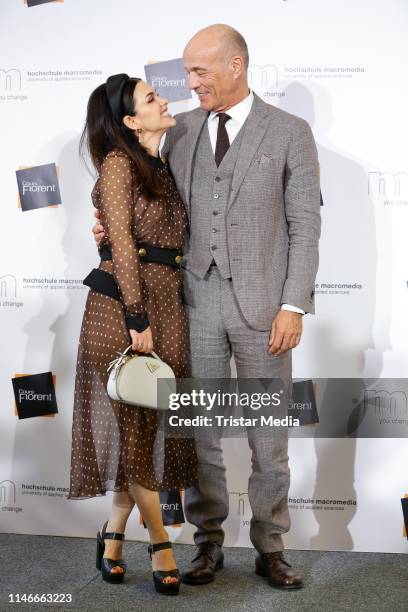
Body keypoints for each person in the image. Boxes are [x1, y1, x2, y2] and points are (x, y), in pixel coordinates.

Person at [94, 24, 321, 590]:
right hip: (192, 302)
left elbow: (306, 226)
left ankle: (271, 546)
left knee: (267, 434)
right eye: (188, 72)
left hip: (266, 307)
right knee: (199, 433)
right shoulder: (182, 129)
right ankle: (208, 543)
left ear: (236, 65)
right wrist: (102, 223)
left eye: (200, 72)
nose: (190, 83)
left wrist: (293, 304)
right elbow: (145, 194)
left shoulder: (290, 131)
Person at [68, 73, 197, 596]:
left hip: (166, 306)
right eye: (151, 97)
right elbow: (120, 242)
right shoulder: (119, 164)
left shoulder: (159, 166)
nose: (164, 99)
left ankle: (112, 536)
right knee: (137, 432)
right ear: (128, 120)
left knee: (142, 433)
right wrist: (137, 318)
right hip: (122, 309)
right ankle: (161, 543)